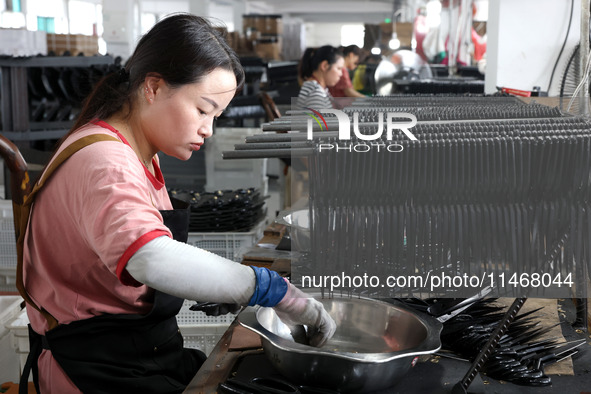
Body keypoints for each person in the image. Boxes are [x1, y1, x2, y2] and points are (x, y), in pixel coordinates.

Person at [19, 13, 335, 394]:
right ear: (153, 87)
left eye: (215, 116)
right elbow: (150, 257)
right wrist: (273, 290)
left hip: (138, 351)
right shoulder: (106, 162)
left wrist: (215, 285)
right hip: (97, 369)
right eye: (202, 110)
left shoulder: (137, 151)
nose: (208, 129)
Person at [296, 45, 344, 109]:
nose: (341, 74)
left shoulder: (319, 88)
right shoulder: (315, 94)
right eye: (338, 68)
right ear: (324, 66)